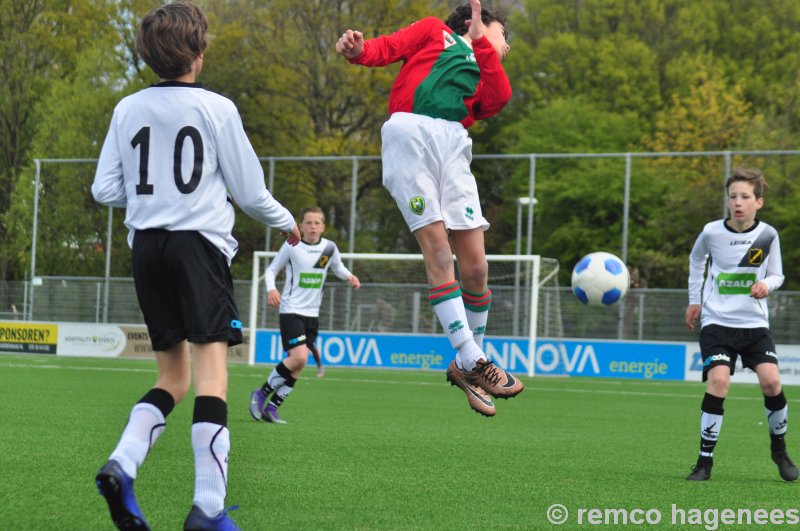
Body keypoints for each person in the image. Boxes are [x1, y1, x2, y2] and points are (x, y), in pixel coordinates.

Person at [91, 2, 301, 529]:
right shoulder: (217, 108)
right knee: (211, 377)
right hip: (199, 248)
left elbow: (104, 189)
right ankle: (207, 509)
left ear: (148, 55)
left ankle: (123, 462)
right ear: (199, 53)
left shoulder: (127, 108)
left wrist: (154, 195)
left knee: (172, 377)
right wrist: (288, 221)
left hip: (147, 249)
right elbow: (250, 192)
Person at [335, 0, 522, 417]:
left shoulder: (486, 65)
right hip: (409, 132)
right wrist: (357, 51)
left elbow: (498, 98)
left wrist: (483, 48)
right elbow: (386, 48)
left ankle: (466, 365)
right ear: (478, 21)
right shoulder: (434, 32)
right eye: (503, 35)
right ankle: (474, 358)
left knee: (475, 267)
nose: (506, 46)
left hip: (453, 144)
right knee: (438, 252)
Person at [684, 168, 798, 482]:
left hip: (754, 323)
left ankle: (779, 450)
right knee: (719, 381)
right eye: (733, 196)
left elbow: (777, 274)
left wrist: (767, 286)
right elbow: (696, 261)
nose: (737, 202)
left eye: (745, 197)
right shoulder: (711, 232)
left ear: (758, 202)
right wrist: (695, 300)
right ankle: (704, 462)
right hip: (717, 321)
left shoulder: (768, 235)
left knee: (772, 383)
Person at [249, 206, 361, 424]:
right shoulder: (292, 246)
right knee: (299, 357)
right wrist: (271, 289)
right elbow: (271, 270)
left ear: (323, 227)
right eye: (308, 222)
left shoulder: (329, 248)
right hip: (291, 310)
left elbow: (338, 268)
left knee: (299, 364)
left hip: (313, 314)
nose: (312, 226)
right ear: (301, 226)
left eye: (317, 223)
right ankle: (261, 393)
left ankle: (272, 408)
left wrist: (350, 276)